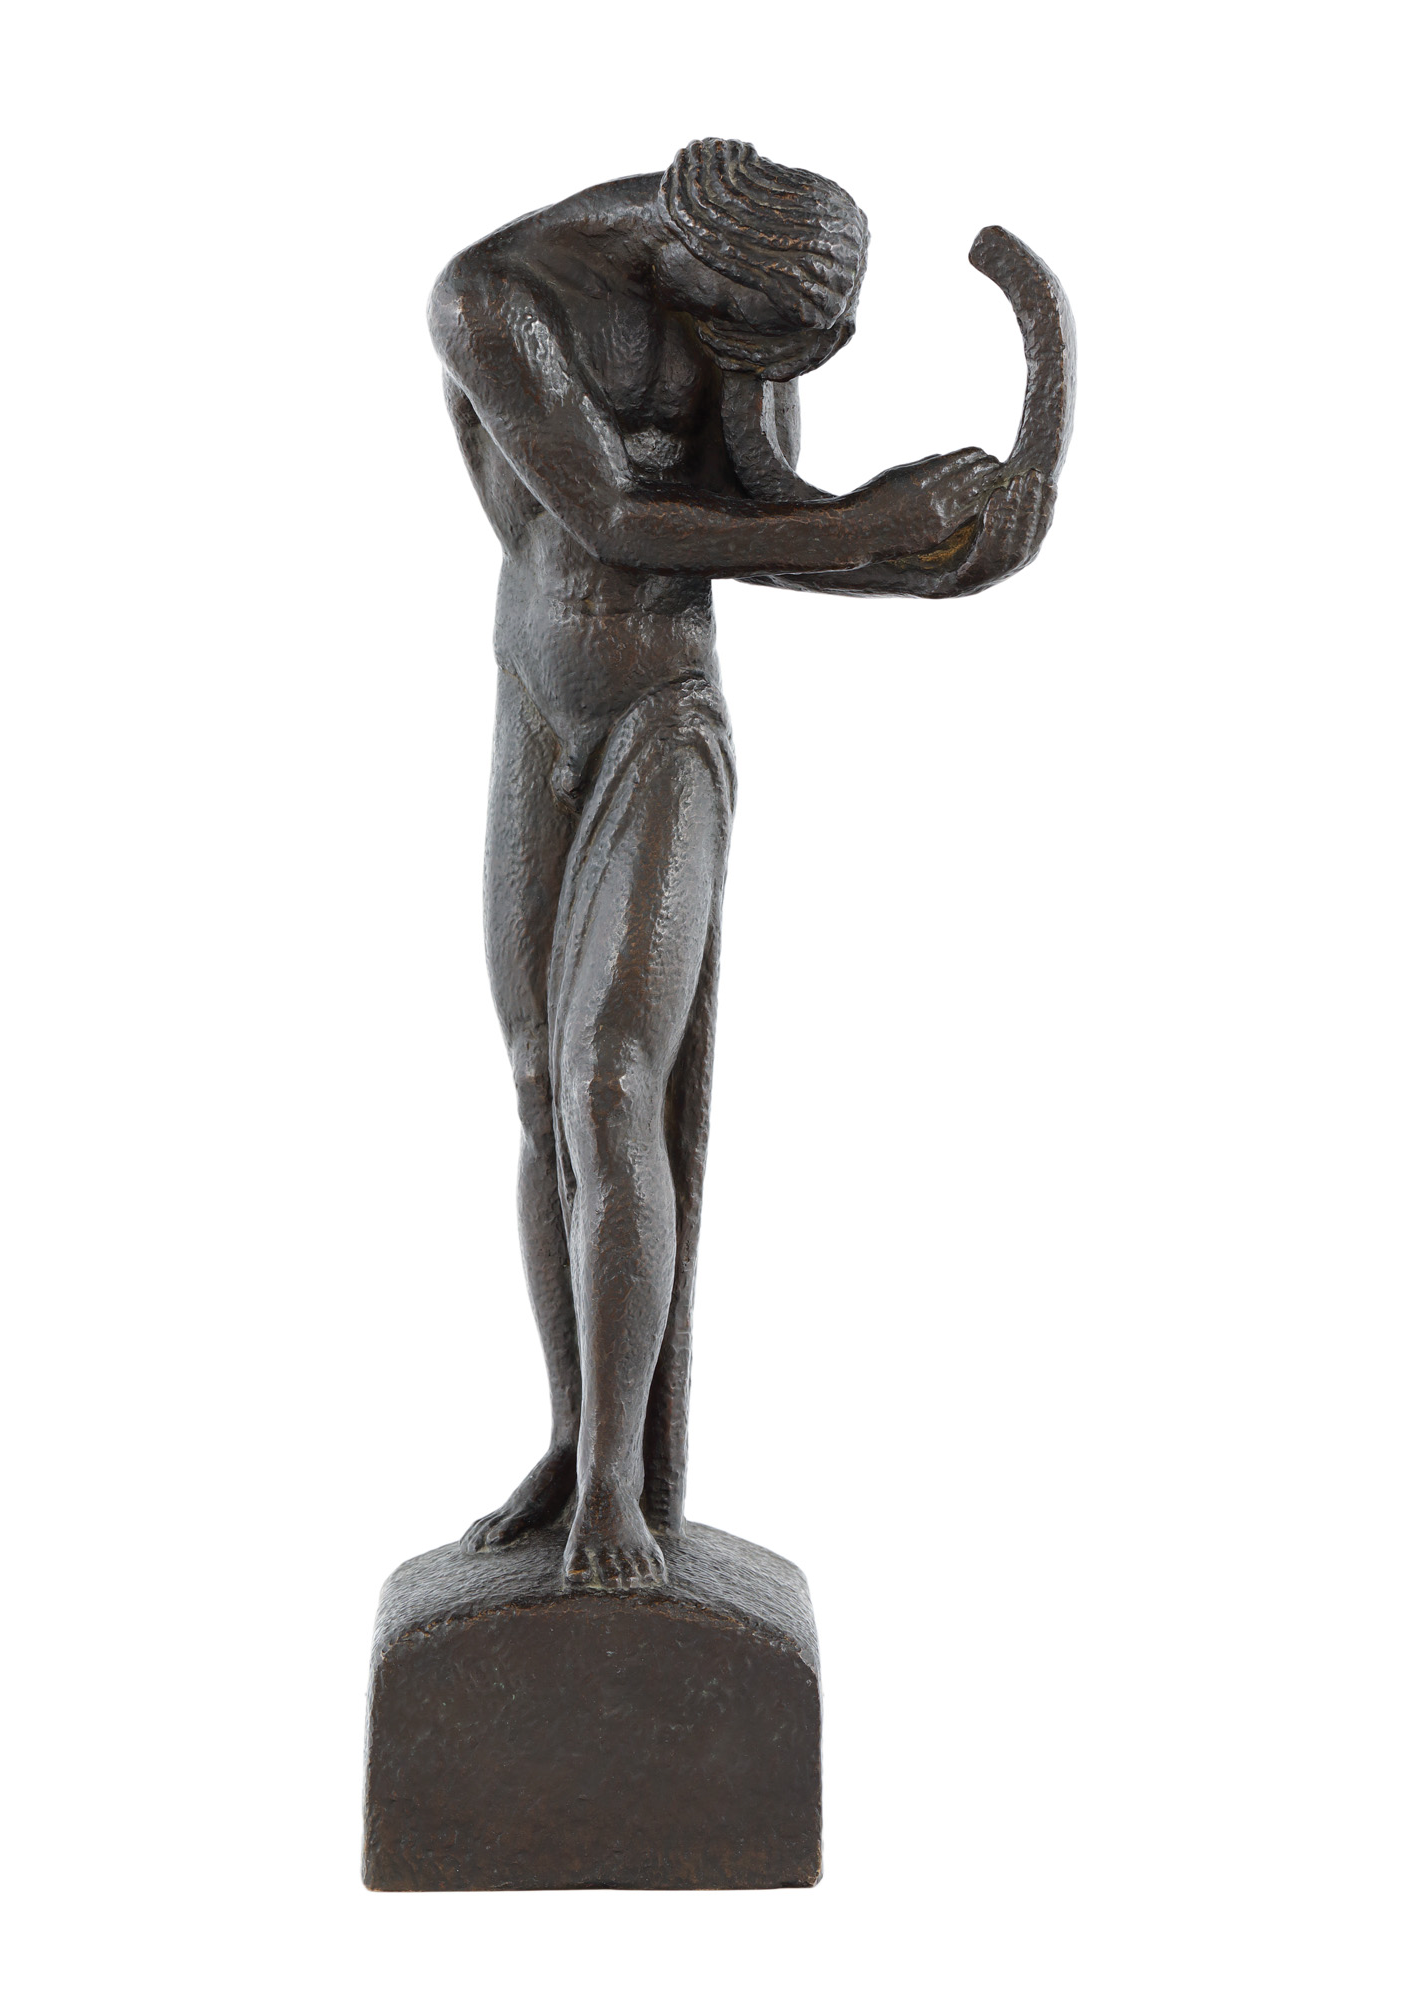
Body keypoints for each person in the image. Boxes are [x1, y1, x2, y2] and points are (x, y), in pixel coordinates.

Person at [429, 138, 1056, 1587]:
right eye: (755, 345)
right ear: (696, 259)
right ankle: (571, 1439)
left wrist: (933, 549)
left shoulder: (741, 305)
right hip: (539, 705)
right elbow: (617, 519)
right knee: (538, 1090)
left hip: (662, 711)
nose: (757, 374)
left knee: (611, 1080)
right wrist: (878, 529)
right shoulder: (494, 296)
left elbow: (761, 520)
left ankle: (617, 1485)